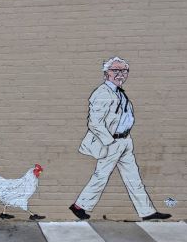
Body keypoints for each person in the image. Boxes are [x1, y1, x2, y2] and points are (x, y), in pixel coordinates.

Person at [69, 57, 171, 221]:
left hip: (125, 141)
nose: (120, 74)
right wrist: (109, 141)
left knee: (133, 177)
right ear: (106, 73)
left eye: (123, 70)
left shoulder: (119, 92)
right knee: (101, 176)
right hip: (112, 142)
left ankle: (147, 212)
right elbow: (94, 122)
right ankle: (80, 206)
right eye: (115, 70)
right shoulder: (102, 92)